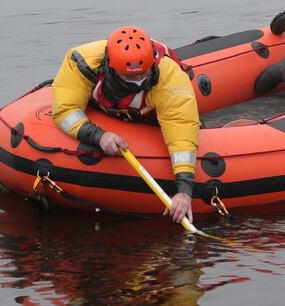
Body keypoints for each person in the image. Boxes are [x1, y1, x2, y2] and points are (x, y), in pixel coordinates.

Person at [51, 26, 199, 223]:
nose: (138, 80)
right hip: (104, 111)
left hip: (149, 117)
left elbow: (182, 131)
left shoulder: (169, 78)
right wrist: (99, 136)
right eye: (130, 77)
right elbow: (65, 110)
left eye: (143, 74)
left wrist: (184, 192)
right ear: (111, 66)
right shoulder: (83, 63)